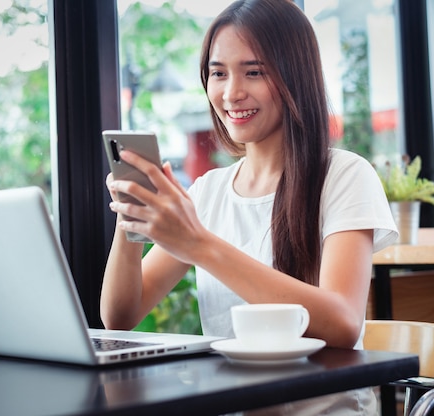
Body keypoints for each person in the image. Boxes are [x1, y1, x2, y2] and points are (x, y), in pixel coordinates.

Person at [101, 0, 398, 414]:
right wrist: (132, 213)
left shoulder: (345, 176)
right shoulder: (209, 192)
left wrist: (200, 245)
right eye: (218, 73)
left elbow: (343, 324)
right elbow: (120, 316)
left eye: (254, 71)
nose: (231, 92)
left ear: (295, 75)